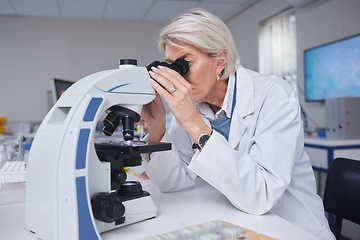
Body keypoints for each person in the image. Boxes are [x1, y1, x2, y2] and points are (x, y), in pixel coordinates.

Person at [141, 8, 334, 240]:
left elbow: (261, 195)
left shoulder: (273, 94)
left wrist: (192, 122)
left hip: (291, 228)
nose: (177, 76)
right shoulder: (197, 105)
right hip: (238, 223)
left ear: (220, 61)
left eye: (185, 63)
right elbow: (173, 182)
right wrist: (157, 130)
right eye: (171, 65)